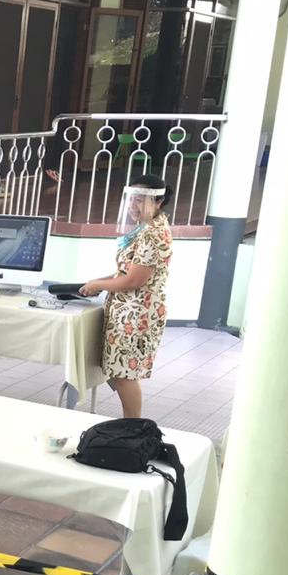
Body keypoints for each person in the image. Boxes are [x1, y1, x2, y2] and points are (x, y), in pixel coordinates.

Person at [79, 175, 174, 418]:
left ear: (158, 202)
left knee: (124, 375)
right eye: (131, 199)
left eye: (140, 200)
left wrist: (99, 284)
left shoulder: (152, 234)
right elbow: (126, 271)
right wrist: (100, 282)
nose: (133, 206)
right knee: (121, 373)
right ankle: (131, 425)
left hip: (137, 314)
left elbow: (134, 280)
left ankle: (133, 426)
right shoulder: (145, 229)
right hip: (128, 311)